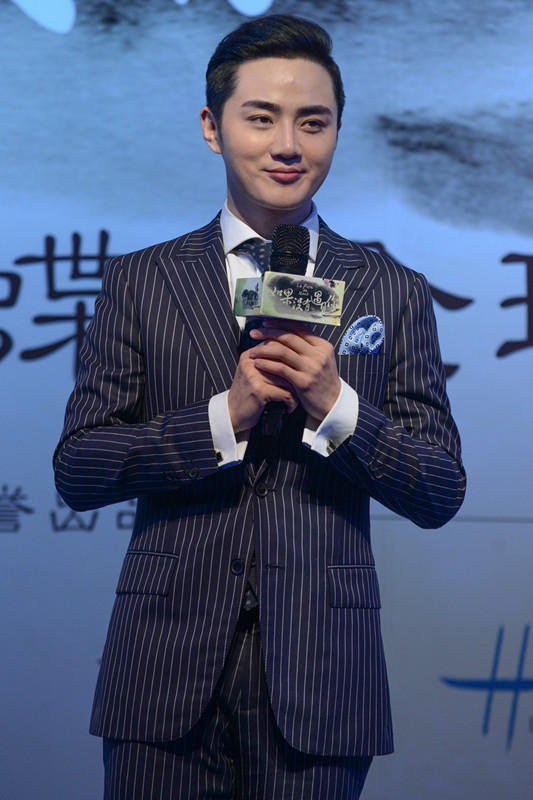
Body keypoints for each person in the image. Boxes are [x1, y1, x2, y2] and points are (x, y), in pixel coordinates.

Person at [54, 13, 466, 800]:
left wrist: (335, 404)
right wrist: (224, 416)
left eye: (313, 122)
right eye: (261, 117)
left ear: (336, 130)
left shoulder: (391, 289)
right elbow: (79, 467)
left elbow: (439, 488)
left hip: (322, 674)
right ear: (212, 128)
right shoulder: (140, 280)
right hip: (162, 670)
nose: (288, 145)